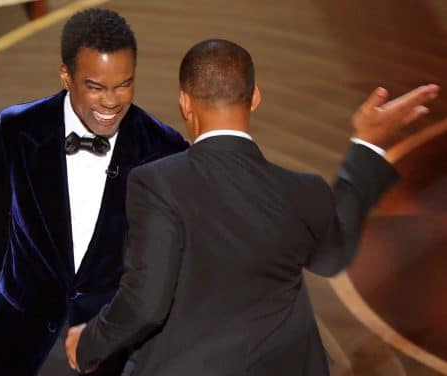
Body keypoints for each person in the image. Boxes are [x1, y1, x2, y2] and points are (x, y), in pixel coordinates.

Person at [64, 39, 440, 375]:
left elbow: (146, 303)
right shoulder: (302, 191)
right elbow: (333, 253)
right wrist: (367, 145)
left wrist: (89, 343)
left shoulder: (156, 183)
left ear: (184, 102)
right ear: (255, 97)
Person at [0, 8, 188, 376]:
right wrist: (22, 289)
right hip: (21, 340)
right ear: (66, 75)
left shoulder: (164, 148)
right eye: (96, 86)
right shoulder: (16, 130)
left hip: (113, 351)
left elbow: (172, 258)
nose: (111, 101)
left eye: (124, 84)